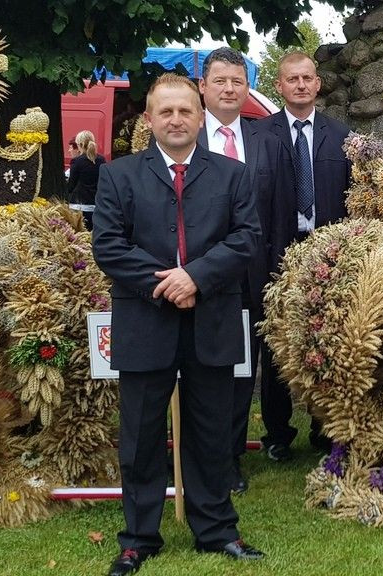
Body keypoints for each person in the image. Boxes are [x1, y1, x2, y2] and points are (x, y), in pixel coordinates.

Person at [92, 73, 264, 576]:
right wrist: (167, 283)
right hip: (145, 321)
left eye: (185, 111)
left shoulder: (232, 174)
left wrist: (196, 278)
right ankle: (139, 538)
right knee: (141, 437)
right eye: (165, 111)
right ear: (148, 119)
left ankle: (216, 530)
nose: (175, 119)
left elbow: (246, 238)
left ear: (200, 116)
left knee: (211, 433)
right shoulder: (118, 175)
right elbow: (109, 245)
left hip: (211, 320)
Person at [197, 46, 288, 494]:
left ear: (248, 88)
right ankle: (194, 454)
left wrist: (277, 275)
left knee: (240, 372)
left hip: (253, 280)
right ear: (203, 87)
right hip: (194, 279)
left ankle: (229, 459)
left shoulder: (267, 143)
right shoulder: (183, 136)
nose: (230, 89)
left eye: (238, 81)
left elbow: (281, 214)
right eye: (220, 81)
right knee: (199, 371)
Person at [255, 51, 351, 462]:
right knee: (276, 340)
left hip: (327, 247)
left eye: (306, 78)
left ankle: (324, 428)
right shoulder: (259, 134)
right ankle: (277, 432)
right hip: (276, 248)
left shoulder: (341, 135)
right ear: (279, 86)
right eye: (291, 79)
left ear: (318, 84)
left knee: (327, 336)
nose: (299, 85)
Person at [66, 130, 105, 230]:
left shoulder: (77, 161)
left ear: (80, 145)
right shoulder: (101, 160)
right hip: (96, 205)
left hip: (79, 205)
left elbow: (71, 185)